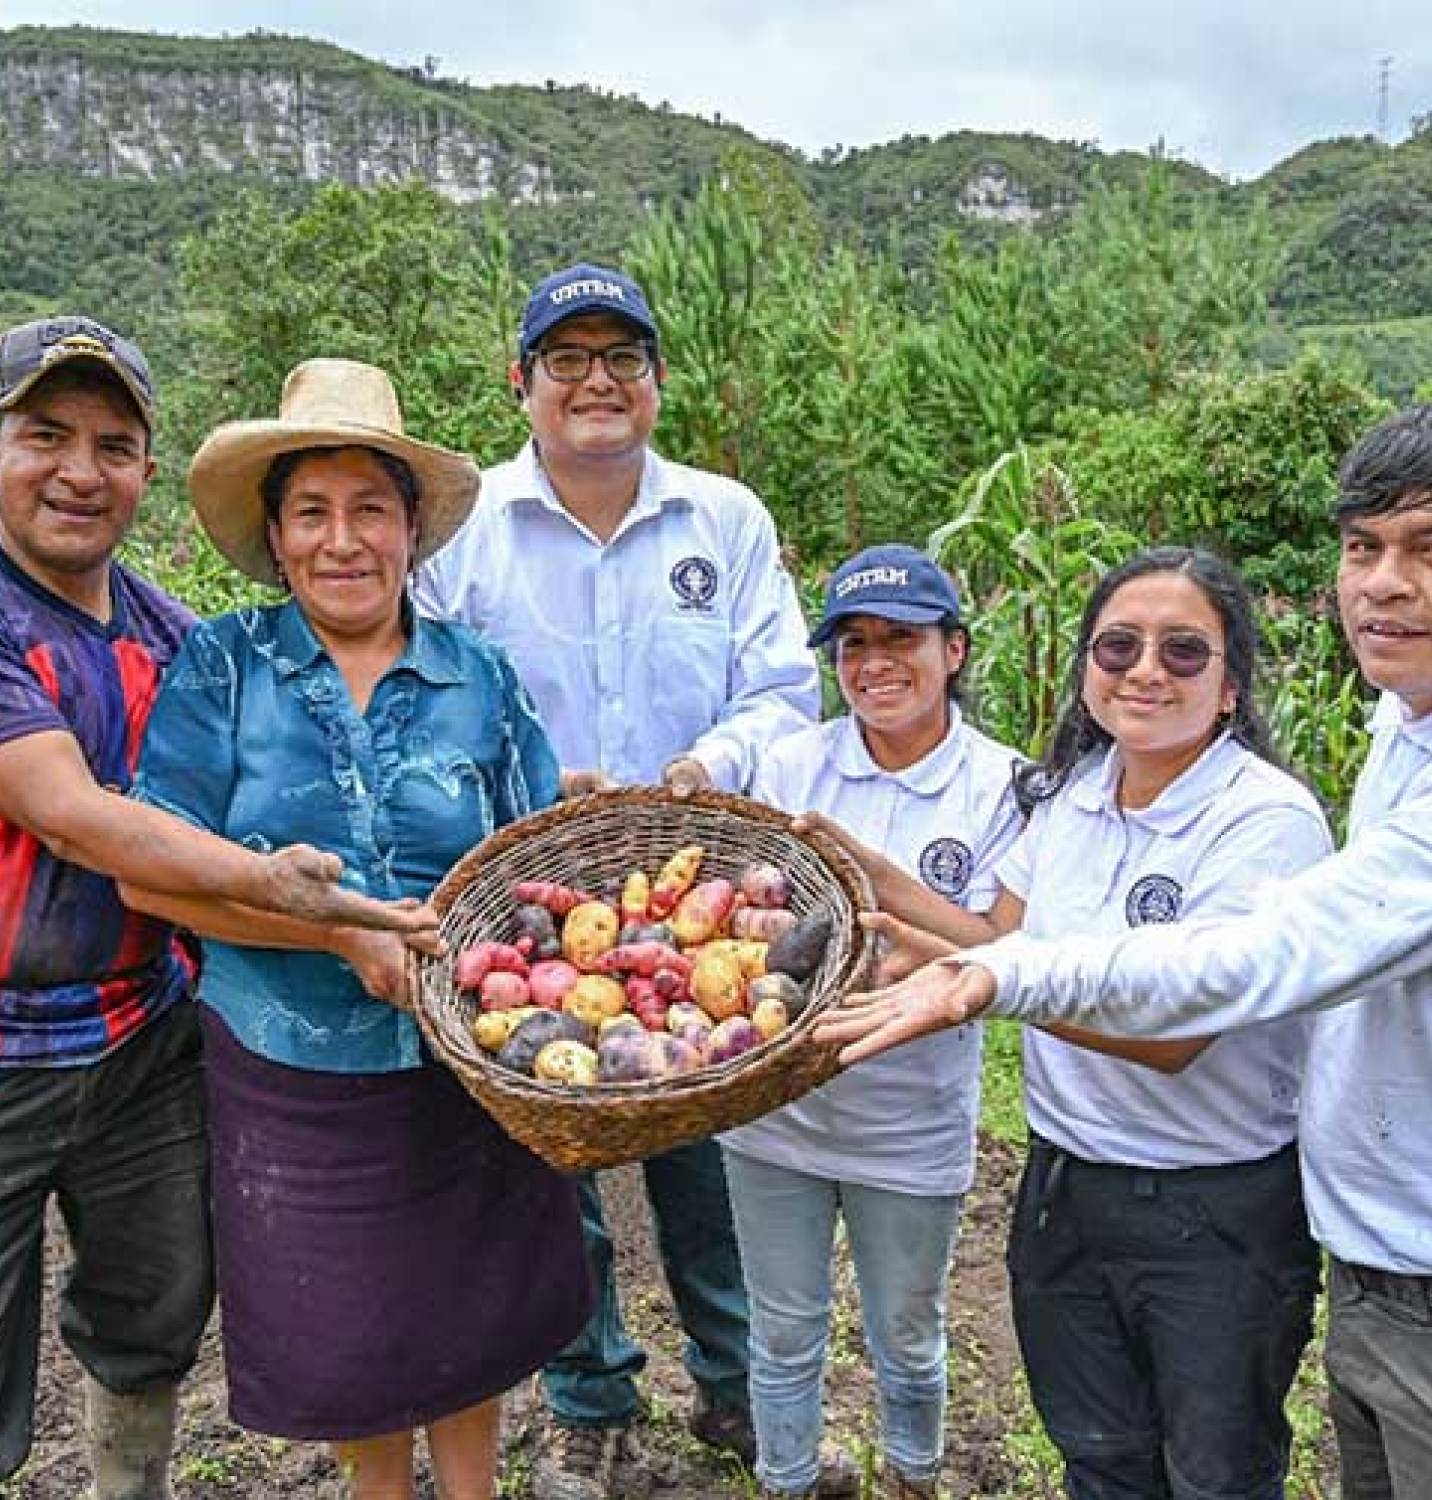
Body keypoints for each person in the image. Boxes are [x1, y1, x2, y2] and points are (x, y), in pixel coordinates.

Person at [819, 398, 1432, 1500]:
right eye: (1364, 548)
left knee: (1213, 1471)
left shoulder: (1278, 815)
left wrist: (982, 985)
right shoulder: (1397, 728)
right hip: (1109, 1192)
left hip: (1237, 1215)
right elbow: (1005, 935)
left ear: (1232, 684)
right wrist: (870, 882)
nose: (1146, 670)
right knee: (1104, 1460)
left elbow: (1205, 999)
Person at [123, 357, 594, 1500]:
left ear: (411, 532)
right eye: (313, 513)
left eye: (370, 510)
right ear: (277, 537)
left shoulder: (478, 676)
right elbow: (152, 882)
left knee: (468, 1311)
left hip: (471, 1065)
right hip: (292, 1066)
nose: (343, 541)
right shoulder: (223, 668)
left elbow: (539, 877)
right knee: (355, 1329)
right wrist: (331, 937)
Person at [0, 318, 435, 1499]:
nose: (81, 471)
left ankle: (125, 1485)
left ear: (147, 470)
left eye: (113, 444)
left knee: (152, 1305)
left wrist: (360, 913)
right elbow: (71, 811)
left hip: (145, 1035)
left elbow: (257, 833)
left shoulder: (172, 640)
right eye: (46, 437)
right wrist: (289, 893)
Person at [414, 262, 821, 1499]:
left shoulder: (726, 521)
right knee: (556, 1157)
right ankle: (590, 1401)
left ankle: (739, 1388)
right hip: (527, 897)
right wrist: (530, 779)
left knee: (712, 1146)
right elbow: (423, 686)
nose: (598, 382)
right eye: (568, 359)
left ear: (654, 380)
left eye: (623, 359)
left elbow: (783, 688)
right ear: (521, 381)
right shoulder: (466, 527)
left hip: (702, 904)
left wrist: (706, 764)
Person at [719, 545, 1025, 1500]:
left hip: (913, 1120)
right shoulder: (790, 763)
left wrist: (884, 910)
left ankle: (912, 1477)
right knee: (783, 1331)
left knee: (908, 1333)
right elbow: (738, 919)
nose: (876, 662)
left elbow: (1003, 953)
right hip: (777, 1113)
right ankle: (787, 1480)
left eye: (903, 638)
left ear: (956, 650)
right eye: (854, 643)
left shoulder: (1004, 785)